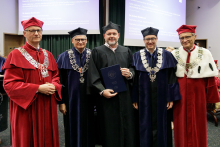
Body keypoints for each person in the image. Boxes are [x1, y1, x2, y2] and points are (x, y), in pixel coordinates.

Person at [2, 17, 62, 147]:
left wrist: (54, 86)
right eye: (32, 30)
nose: (36, 33)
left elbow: (56, 77)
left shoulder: (49, 55)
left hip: (47, 104)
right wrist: (37, 88)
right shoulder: (15, 55)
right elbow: (9, 85)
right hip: (27, 107)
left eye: (38, 30)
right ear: (24, 33)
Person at [87, 22, 137, 147]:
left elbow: (133, 68)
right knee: (109, 127)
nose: (111, 36)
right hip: (106, 98)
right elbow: (93, 74)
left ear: (118, 35)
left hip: (125, 96)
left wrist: (130, 73)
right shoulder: (97, 51)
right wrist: (102, 91)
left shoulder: (126, 51)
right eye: (109, 34)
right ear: (104, 35)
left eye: (114, 33)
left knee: (127, 125)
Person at [171, 25, 220, 147]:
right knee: (180, 123)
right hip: (179, 94)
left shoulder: (205, 53)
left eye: (187, 36)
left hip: (198, 95)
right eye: (181, 38)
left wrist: (211, 99)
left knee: (198, 122)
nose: (184, 40)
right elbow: (169, 78)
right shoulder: (174, 53)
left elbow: (210, 78)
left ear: (195, 37)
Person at [132, 27, 181, 147]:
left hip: (162, 97)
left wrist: (170, 98)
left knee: (162, 124)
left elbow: (171, 77)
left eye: (153, 39)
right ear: (143, 40)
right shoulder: (137, 56)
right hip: (143, 98)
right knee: (144, 124)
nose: (150, 42)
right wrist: (134, 98)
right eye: (147, 39)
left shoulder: (167, 55)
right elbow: (133, 79)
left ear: (157, 39)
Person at [56, 27, 94, 147]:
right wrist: (61, 102)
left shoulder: (93, 55)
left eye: (83, 39)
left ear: (86, 40)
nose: (80, 42)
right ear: (72, 41)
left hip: (89, 99)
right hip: (70, 100)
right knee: (71, 126)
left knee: (89, 126)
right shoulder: (63, 57)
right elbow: (59, 81)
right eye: (77, 39)